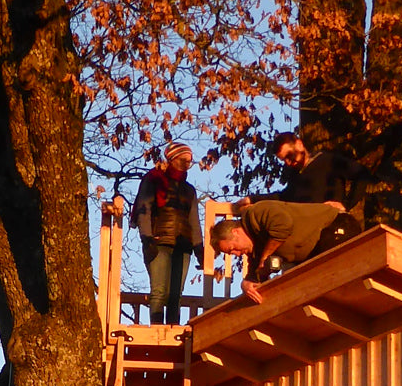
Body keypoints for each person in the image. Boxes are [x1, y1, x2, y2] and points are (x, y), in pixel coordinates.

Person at [208, 199, 363, 303]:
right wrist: (246, 284)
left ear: (236, 232)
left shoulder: (255, 213)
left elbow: (283, 226)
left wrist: (266, 255)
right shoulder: (256, 250)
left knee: (332, 279)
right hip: (318, 248)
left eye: (232, 249)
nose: (236, 254)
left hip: (337, 227)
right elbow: (256, 272)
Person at [131, 141, 202, 325]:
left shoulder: (189, 191)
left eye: (189, 161)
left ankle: (172, 329)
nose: (187, 164)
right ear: (172, 159)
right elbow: (143, 209)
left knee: (175, 294)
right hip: (159, 241)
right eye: (183, 160)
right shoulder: (154, 181)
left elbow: (194, 220)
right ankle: (156, 330)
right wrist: (147, 239)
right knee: (159, 291)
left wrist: (199, 247)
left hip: (183, 245)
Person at [235, 131, 365, 214]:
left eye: (289, 156)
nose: (288, 162)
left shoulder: (328, 161)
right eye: (284, 160)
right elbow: (283, 197)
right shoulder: (294, 175)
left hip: (332, 227)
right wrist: (252, 199)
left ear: (299, 145)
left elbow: (361, 174)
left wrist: (346, 205)